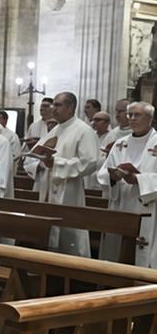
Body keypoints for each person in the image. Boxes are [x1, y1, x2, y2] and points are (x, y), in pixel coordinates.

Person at [23, 92, 99, 256]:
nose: (53, 108)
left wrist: (57, 164)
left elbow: (90, 162)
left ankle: (72, 276)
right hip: (46, 189)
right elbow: (34, 157)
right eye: (53, 104)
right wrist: (40, 163)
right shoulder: (55, 130)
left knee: (69, 237)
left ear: (70, 107)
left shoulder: (83, 130)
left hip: (69, 191)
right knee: (48, 239)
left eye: (58, 105)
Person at [97, 102, 156, 265]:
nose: (132, 118)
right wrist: (112, 178)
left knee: (143, 254)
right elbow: (103, 172)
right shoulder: (120, 143)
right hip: (121, 204)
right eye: (130, 115)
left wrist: (139, 179)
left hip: (148, 207)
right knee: (117, 253)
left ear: (150, 118)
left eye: (138, 115)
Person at [87, 110, 116, 194]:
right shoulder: (90, 135)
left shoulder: (113, 136)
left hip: (104, 175)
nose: (94, 122)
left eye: (98, 120)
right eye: (93, 120)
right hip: (89, 175)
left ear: (107, 123)